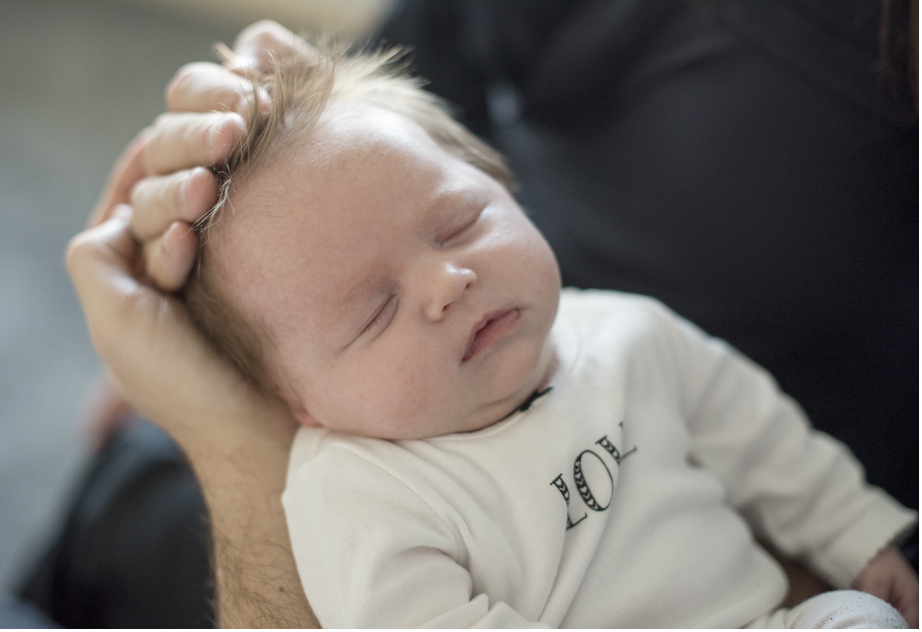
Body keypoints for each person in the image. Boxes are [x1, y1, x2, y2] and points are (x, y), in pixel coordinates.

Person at [121, 39, 918, 627]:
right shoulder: (359, 491)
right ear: (299, 402)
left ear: (506, 187)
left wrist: (858, 534)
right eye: (375, 311)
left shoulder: (626, 333)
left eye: (461, 223)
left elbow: (760, 438)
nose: (447, 282)